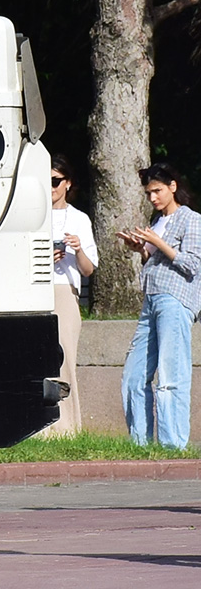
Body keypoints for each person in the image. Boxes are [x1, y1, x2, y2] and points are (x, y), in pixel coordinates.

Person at [117, 162, 201, 449]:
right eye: (148, 193)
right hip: (151, 299)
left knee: (171, 374)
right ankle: (139, 445)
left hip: (175, 300)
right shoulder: (157, 222)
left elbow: (191, 263)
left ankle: (172, 445)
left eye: (157, 191)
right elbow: (154, 263)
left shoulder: (191, 219)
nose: (153, 198)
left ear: (173, 187)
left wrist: (157, 242)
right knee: (133, 375)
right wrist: (141, 249)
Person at [44, 155, 98, 436]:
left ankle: (67, 426)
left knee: (64, 358)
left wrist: (77, 250)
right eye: (47, 181)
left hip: (66, 291)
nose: (50, 187)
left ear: (68, 184)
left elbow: (88, 270)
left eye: (55, 181)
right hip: (37, 289)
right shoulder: (33, 214)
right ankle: (42, 426)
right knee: (39, 359)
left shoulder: (79, 219)